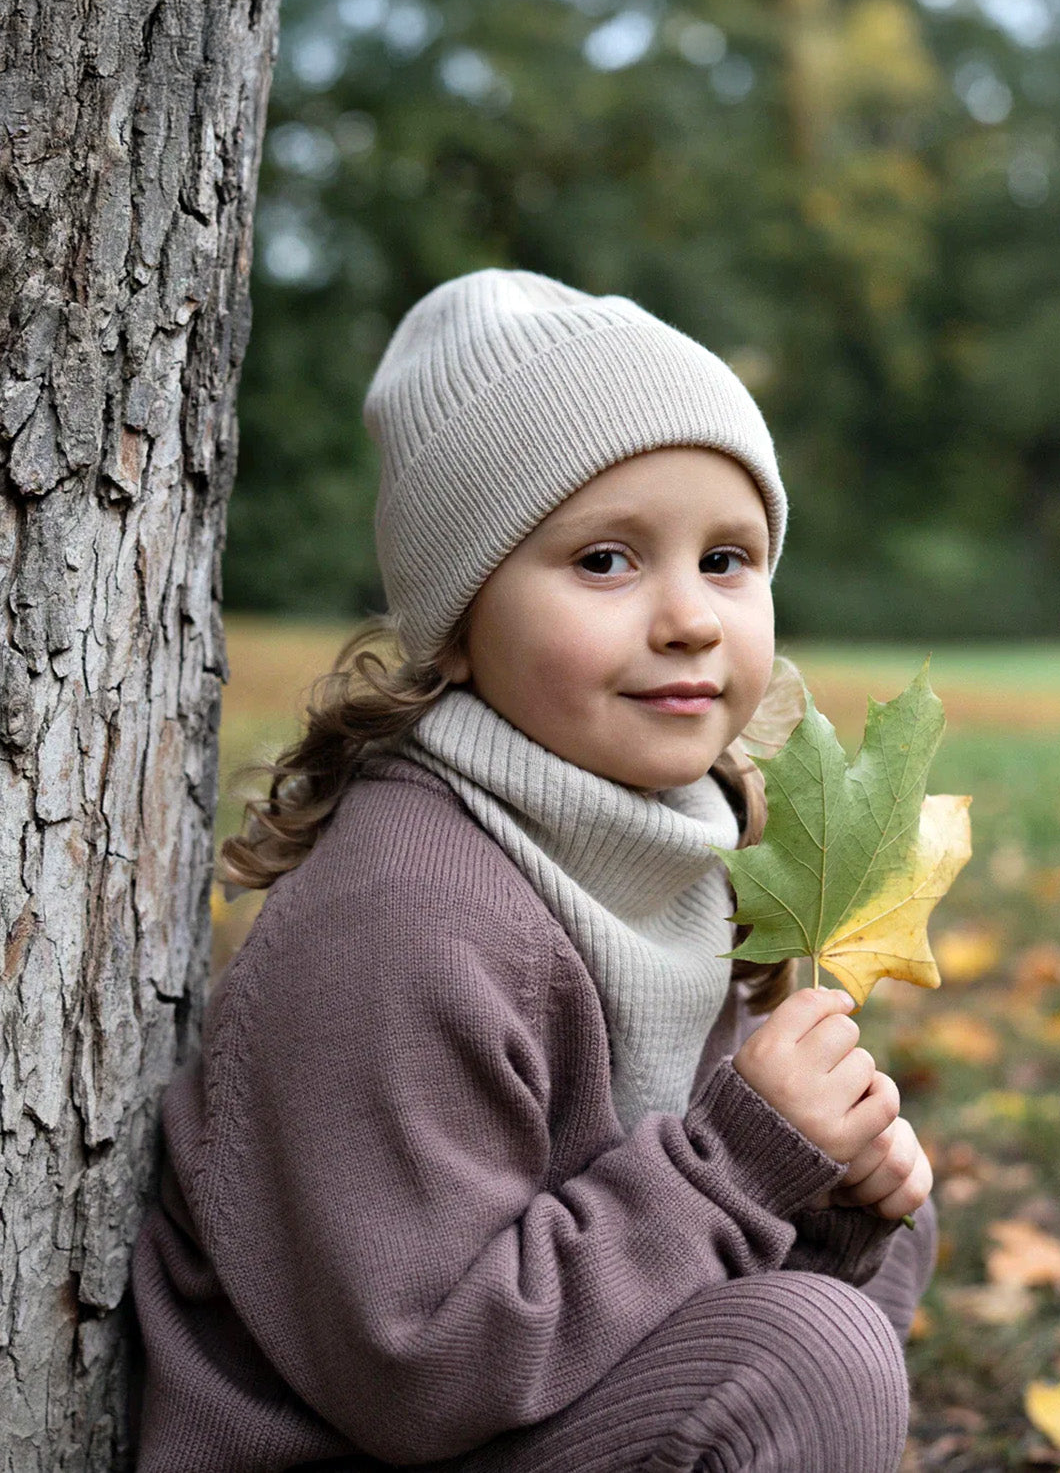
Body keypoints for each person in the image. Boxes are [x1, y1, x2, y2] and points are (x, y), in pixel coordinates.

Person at [131, 268, 937, 1473]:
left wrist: (831, 1195)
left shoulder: (700, 855)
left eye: (728, 559)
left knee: (859, 1274)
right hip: (366, 1437)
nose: (690, 619)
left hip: (535, 1409)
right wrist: (736, 1163)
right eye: (607, 561)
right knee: (801, 1356)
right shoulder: (412, 915)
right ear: (457, 625)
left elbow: (698, 1286)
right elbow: (418, 1367)